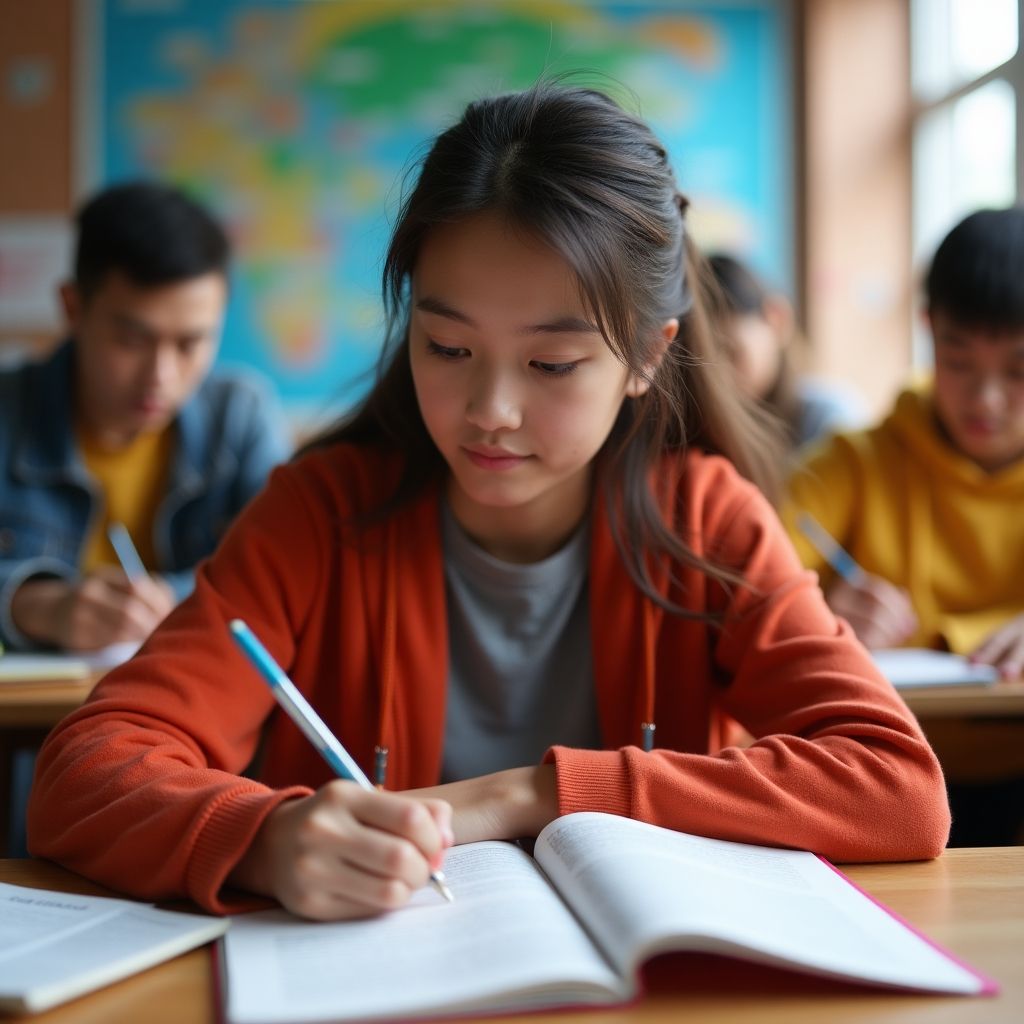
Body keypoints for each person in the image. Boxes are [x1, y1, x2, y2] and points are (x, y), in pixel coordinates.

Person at [28, 85, 949, 921]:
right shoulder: (322, 512)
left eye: (551, 364)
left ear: (647, 355)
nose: (490, 413)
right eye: (446, 347)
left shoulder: (704, 520)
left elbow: (896, 786)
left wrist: (531, 795)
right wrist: (266, 839)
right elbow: (83, 773)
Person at [782, 206, 1024, 845]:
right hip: (877, 781)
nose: (986, 399)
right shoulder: (855, 461)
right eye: (958, 357)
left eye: (1019, 370)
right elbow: (748, 574)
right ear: (928, 332)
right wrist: (818, 609)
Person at [0, 181, 291, 653]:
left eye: (190, 343)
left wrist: (170, 600)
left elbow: (287, 569)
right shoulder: (7, 413)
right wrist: (39, 607)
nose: (161, 375)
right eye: (131, 340)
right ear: (73, 308)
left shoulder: (240, 417)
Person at [707, 252, 865, 453]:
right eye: (703, 364)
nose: (720, 376)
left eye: (732, 353)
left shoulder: (828, 418)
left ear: (777, 319)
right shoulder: (707, 430)